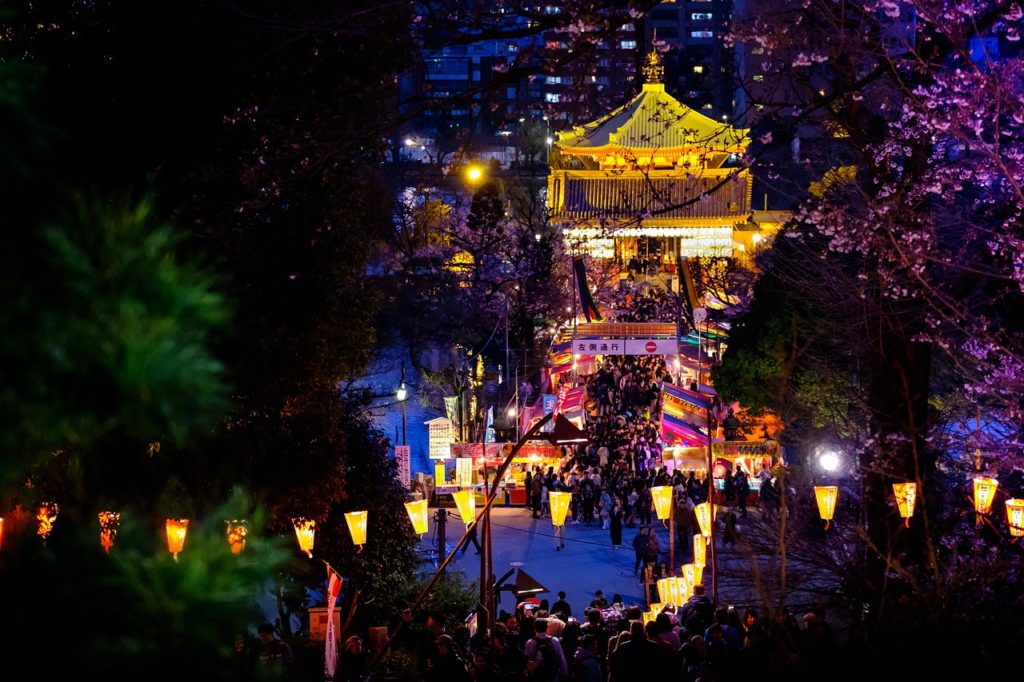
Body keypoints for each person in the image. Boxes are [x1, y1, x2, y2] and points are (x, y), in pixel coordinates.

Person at [524, 618, 568, 682]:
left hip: (537, 676)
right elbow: (561, 658)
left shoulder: (530, 642)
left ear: (534, 628)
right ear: (547, 627)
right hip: (553, 675)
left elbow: (527, 660)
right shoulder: (554, 640)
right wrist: (564, 673)